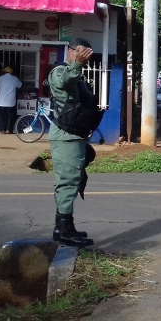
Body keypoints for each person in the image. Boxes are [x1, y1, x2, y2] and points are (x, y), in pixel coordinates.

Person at [48, 38, 101, 247]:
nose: (85, 59)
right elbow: (63, 82)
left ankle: (63, 227)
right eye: (82, 53)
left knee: (72, 180)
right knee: (68, 182)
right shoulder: (60, 71)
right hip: (65, 135)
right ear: (71, 52)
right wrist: (77, 64)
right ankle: (64, 230)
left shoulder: (77, 74)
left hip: (75, 135)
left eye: (87, 55)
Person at [0, 66, 22, 134]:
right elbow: (20, 85)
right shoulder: (15, 78)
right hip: (10, 101)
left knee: (2, 117)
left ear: (4, 72)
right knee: (10, 117)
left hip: (1, 101)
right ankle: (9, 130)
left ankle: (2, 130)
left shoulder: (1, 78)